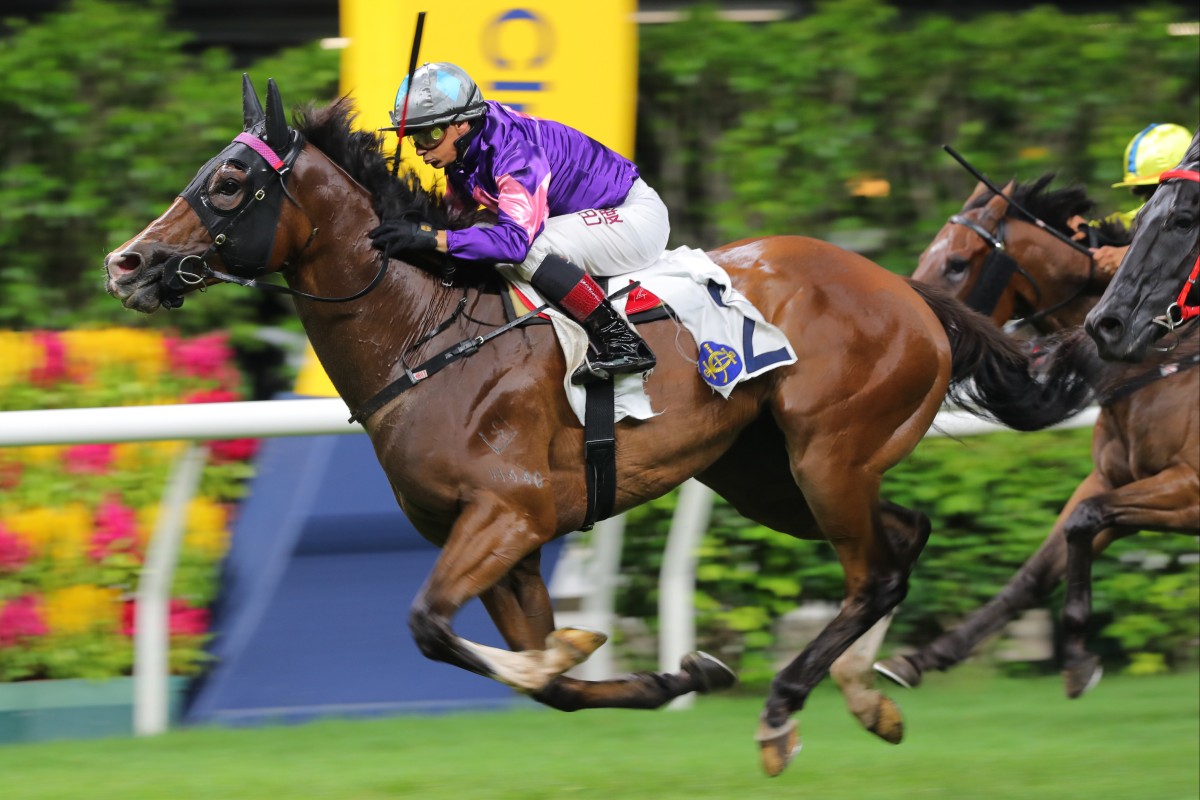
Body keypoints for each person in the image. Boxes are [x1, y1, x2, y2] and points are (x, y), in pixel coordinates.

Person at [369, 62, 666, 384]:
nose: (420, 148)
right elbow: (458, 224)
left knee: (531, 251)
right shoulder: (464, 154)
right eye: (413, 136)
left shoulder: (514, 151)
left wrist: (430, 237)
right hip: (583, 219)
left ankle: (621, 340)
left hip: (633, 217)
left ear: (462, 124)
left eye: (430, 134)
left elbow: (514, 243)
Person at [1067, 122, 1192, 274]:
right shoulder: (1148, 210)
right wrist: (1090, 229)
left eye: (1161, 191)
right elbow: (1132, 219)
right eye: (1148, 194)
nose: (1155, 203)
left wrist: (1131, 255)